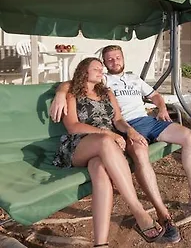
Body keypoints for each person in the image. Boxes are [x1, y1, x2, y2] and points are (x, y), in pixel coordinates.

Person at [50, 45, 191, 212]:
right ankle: (158, 209)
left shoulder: (134, 78)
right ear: (105, 63)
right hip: (126, 125)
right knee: (140, 153)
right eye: (109, 60)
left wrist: (162, 108)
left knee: (189, 136)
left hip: (147, 120)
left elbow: (155, 95)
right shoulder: (103, 79)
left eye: (118, 58)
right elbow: (75, 82)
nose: (114, 62)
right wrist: (60, 92)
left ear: (123, 58)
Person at [52, 57, 181, 247]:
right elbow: (72, 126)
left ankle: (100, 243)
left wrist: (129, 131)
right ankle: (138, 211)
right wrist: (108, 134)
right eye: (96, 68)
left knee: (99, 169)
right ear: (84, 71)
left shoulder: (107, 93)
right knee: (105, 143)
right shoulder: (72, 93)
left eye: (101, 68)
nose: (101, 71)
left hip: (106, 146)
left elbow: (118, 120)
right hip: (79, 144)